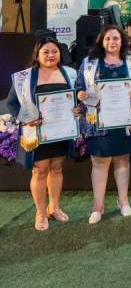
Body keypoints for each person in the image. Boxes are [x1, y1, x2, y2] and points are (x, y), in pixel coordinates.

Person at [6, 38, 80, 231]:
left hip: (60, 132)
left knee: (56, 169)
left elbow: (77, 99)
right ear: (37, 55)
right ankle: (40, 213)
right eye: (45, 52)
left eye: (54, 51)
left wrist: (77, 109)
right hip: (36, 133)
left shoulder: (70, 74)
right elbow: (11, 103)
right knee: (39, 171)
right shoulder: (24, 77)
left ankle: (54, 207)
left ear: (60, 53)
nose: (50, 55)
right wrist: (25, 119)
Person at [75, 25, 131, 224]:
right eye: (108, 39)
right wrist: (80, 94)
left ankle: (123, 201)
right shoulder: (89, 63)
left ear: (122, 40)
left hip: (124, 121)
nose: (112, 42)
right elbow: (79, 86)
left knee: (122, 160)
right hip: (98, 122)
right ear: (101, 41)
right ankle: (97, 206)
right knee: (99, 162)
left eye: (116, 38)